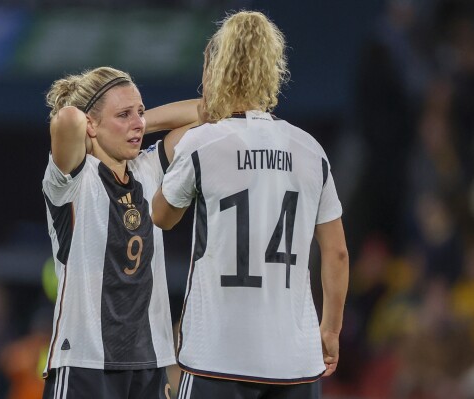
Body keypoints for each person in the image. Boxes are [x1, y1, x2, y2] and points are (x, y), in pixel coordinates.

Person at [152, 11, 349, 399]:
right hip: (295, 360)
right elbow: (337, 253)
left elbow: (161, 216)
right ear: (273, 68)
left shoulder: (203, 142)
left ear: (216, 68)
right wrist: (330, 329)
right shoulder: (310, 150)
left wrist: (205, 111)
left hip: (216, 356)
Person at [41, 66, 198, 399]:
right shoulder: (73, 181)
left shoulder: (148, 169)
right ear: (92, 124)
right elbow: (67, 118)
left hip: (149, 360)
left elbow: (211, 112)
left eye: (139, 111)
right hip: (85, 360)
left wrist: (137, 122)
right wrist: (103, 123)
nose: (138, 122)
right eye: (124, 114)